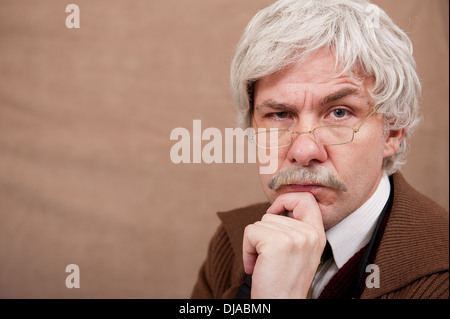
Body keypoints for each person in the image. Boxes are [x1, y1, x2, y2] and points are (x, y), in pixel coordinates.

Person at [191, 0, 448, 299]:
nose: (303, 150)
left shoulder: (440, 277)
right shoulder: (233, 243)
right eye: (279, 114)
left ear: (392, 131)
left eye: (339, 113)